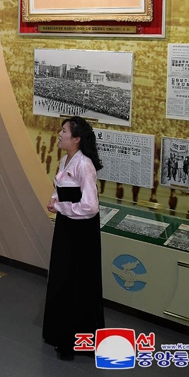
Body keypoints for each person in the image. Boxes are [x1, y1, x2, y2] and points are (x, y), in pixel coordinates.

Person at [43, 116, 104, 360]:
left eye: (64, 131)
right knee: (62, 278)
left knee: (77, 282)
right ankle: (59, 332)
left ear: (76, 139)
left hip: (81, 231)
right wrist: (55, 199)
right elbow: (61, 188)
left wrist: (61, 207)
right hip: (66, 226)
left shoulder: (84, 165)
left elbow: (90, 206)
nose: (59, 134)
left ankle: (74, 341)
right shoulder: (65, 159)